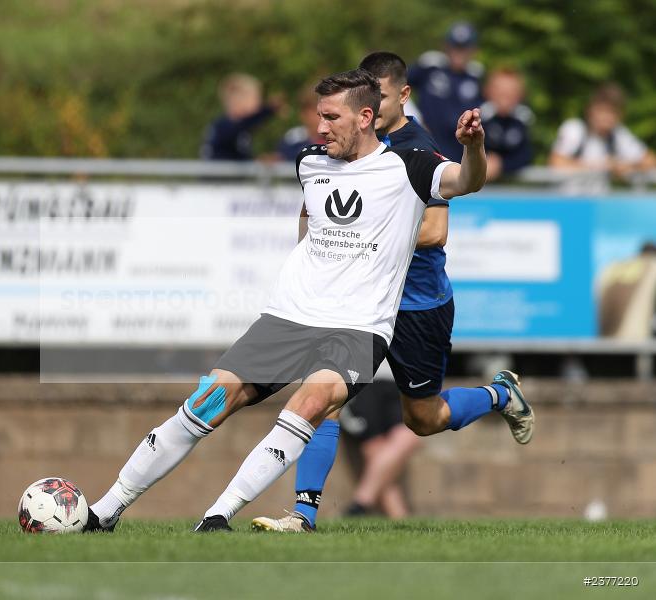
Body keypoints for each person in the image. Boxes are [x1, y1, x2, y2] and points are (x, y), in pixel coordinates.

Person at [83, 68, 499, 534]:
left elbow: (469, 181)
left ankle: (218, 516)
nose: (319, 128)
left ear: (365, 117)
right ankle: (104, 511)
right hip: (288, 316)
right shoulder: (309, 163)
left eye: (330, 117)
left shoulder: (413, 166)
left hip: (359, 328)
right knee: (206, 401)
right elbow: (310, 228)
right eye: (318, 117)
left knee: (310, 402)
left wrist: (474, 145)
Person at [251, 52, 532, 534]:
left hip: (417, 304)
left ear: (403, 95)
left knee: (423, 418)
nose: (371, 107)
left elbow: (437, 230)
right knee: (323, 397)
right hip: (360, 301)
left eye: (379, 96)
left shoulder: (417, 149)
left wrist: (366, 235)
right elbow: (313, 207)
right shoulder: (348, 147)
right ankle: (303, 515)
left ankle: (498, 394)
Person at [337, 361, 421, 519]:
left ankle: (360, 503)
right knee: (375, 449)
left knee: (408, 436)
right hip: (360, 378)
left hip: (399, 378)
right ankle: (399, 518)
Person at [408, 22, 485, 162]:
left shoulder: (476, 76)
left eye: (464, 48)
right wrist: (414, 119)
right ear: (446, 47)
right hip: (424, 151)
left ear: (473, 50)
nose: (459, 53)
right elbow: (397, 88)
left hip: (459, 156)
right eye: (455, 47)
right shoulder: (430, 66)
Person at [549, 83, 656, 179]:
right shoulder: (574, 129)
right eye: (602, 111)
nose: (606, 118)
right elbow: (555, 164)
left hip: (598, 200)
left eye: (611, 113)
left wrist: (626, 166)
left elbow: (650, 160)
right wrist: (602, 166)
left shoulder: (617, 134)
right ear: (590, 110)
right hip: (565, 199)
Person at [200, 73, 282, 161]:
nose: (259, 104)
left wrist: (258, 161)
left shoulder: (241, 130)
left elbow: (238, 157)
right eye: (256, 98)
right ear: (239, 100)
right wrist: (267, 111)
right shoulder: (223, 126)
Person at [480, 68, 534, 181]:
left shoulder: (522, 119)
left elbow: (526, 155)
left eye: (511, 91)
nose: (505, 96)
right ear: (488, 91)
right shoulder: (478, 116)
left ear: (520, 95)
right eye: (500, 90)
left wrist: (500, 165)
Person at [275, 86, 324, 162]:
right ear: (303, 114)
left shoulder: (337, 138)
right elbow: (282, 158)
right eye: (314, 111)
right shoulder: (292, 138)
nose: (320, 117)